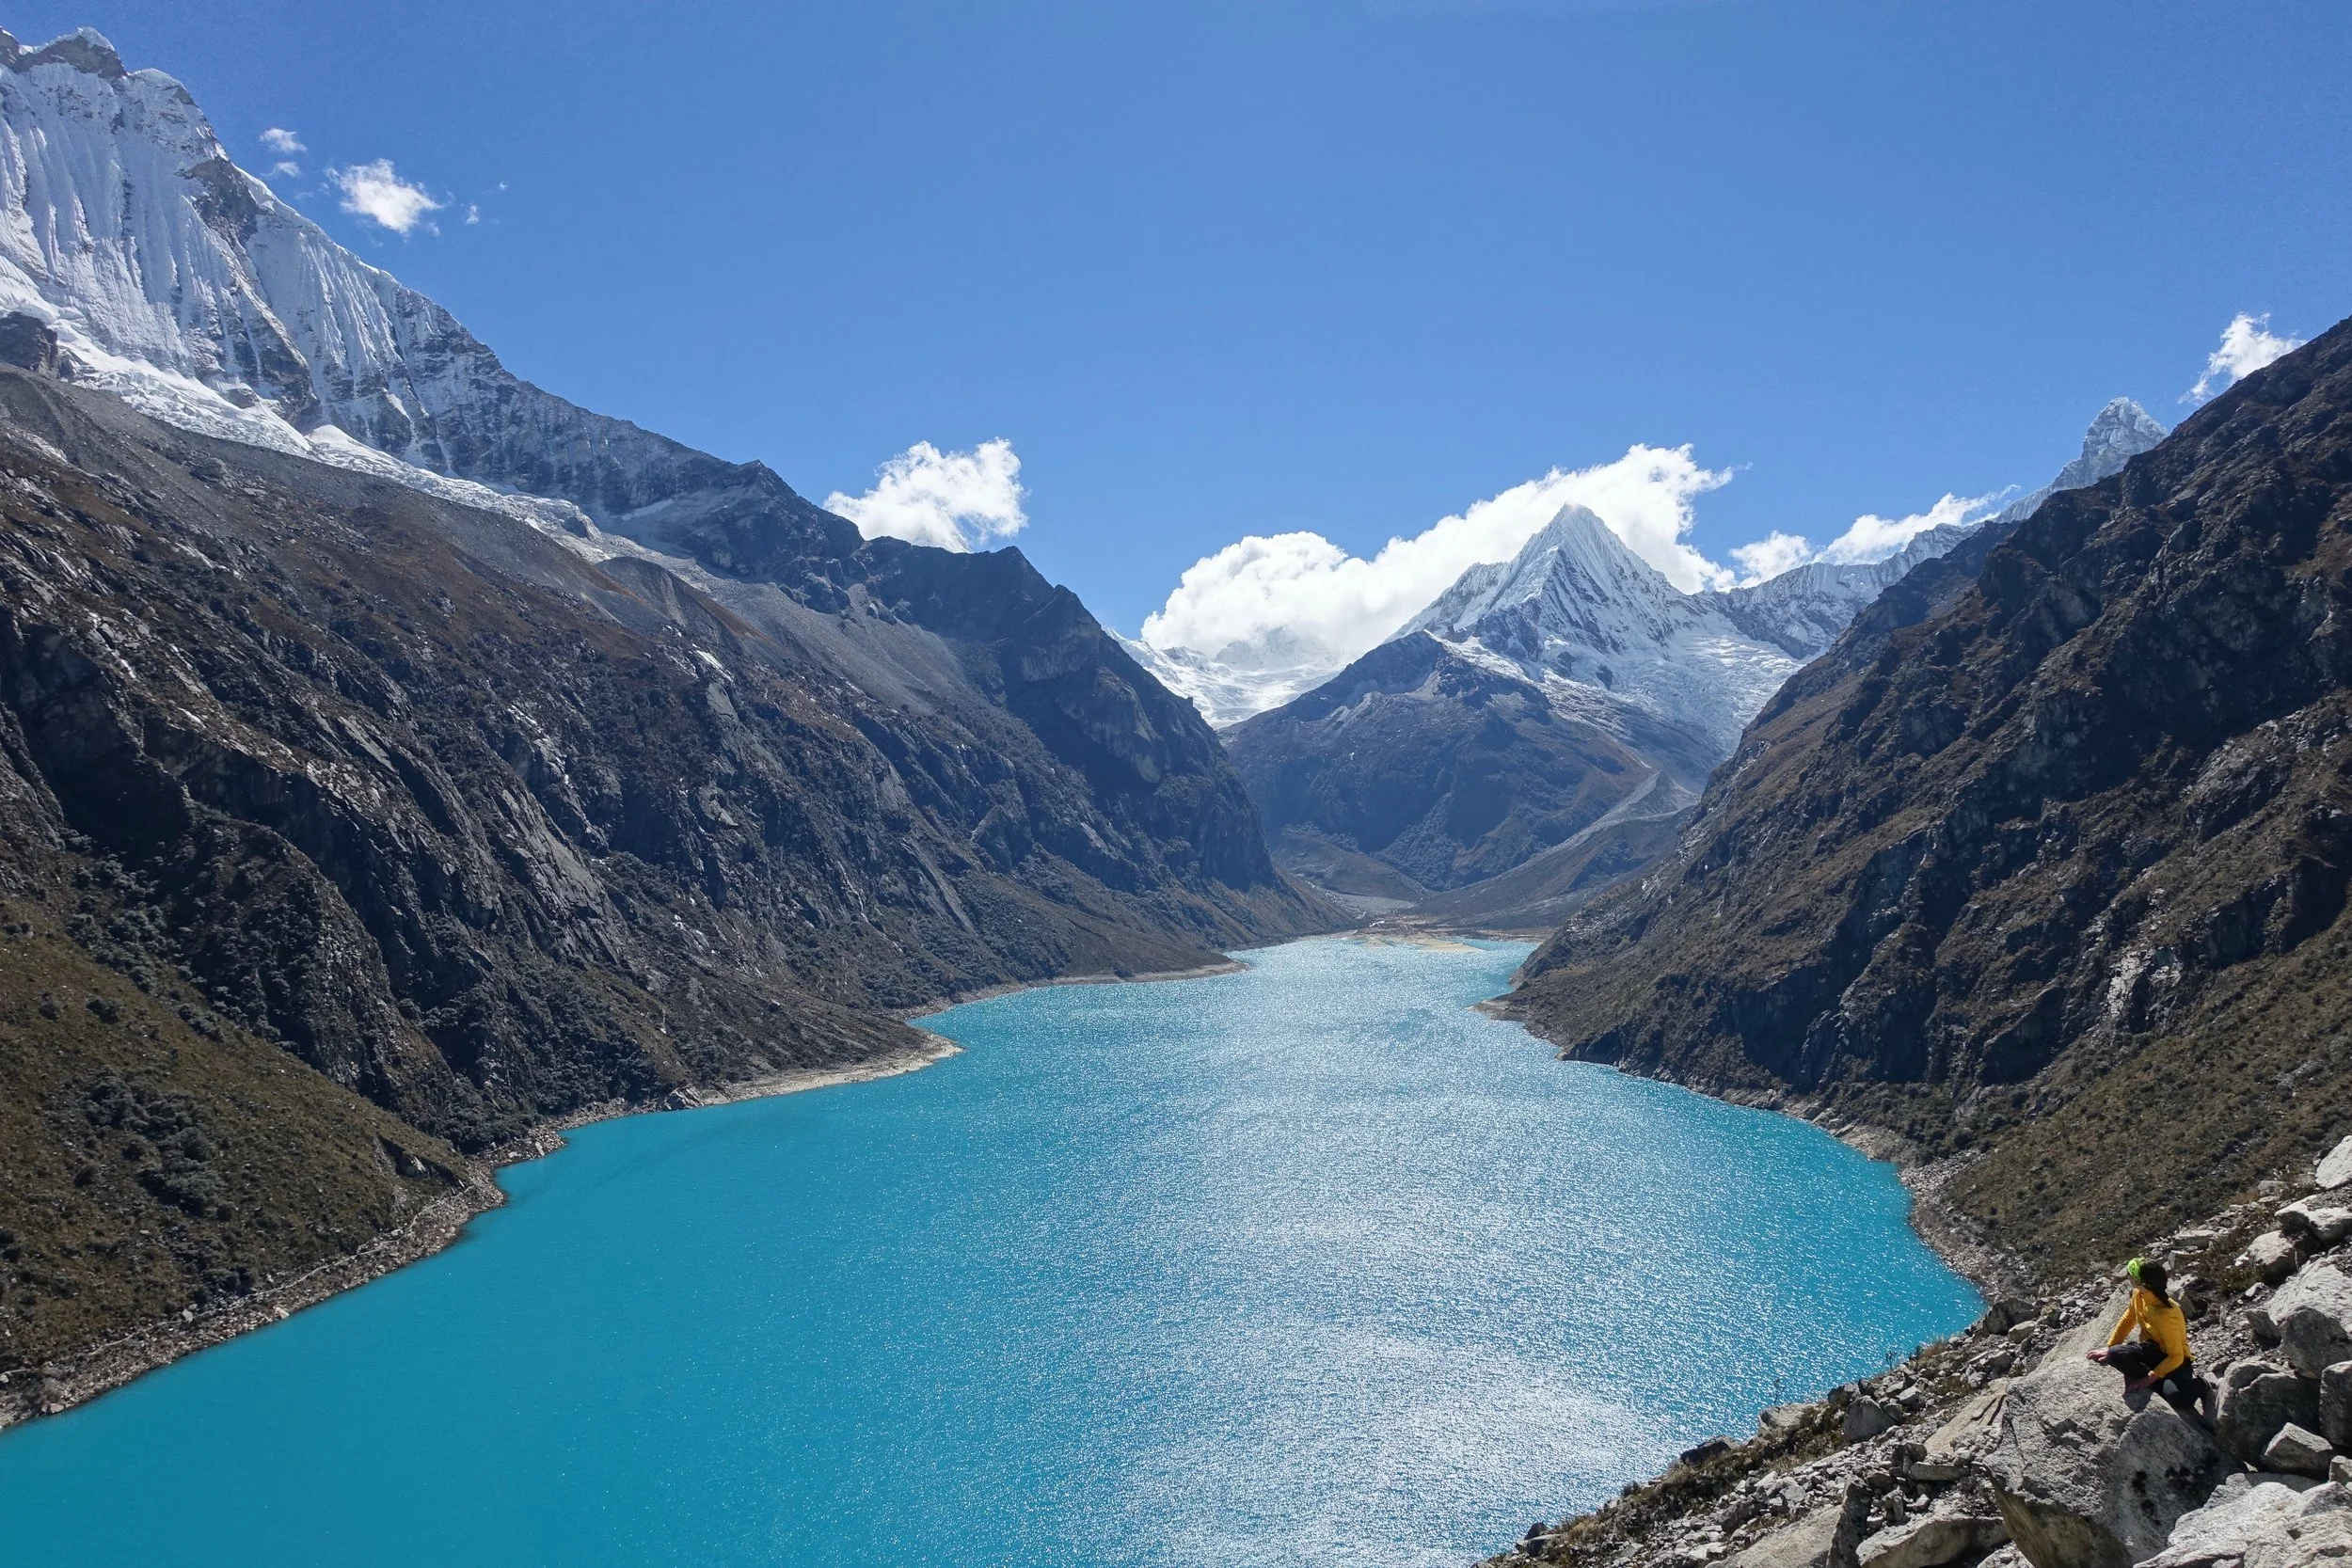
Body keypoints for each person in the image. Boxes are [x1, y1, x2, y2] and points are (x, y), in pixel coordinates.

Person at [2087, 1257, 2215, 1422]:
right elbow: (2129, 1318)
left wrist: (2149, 1378)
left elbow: (2176, 1356)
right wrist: (2111, 1346)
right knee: (2114, 1355)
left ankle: (2199, 1385)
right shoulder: (2138, 1295)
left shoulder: (2166, 1314)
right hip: (2150, 1349)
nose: (2128, 1278)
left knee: (2178, 1398)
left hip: (2176, 1361)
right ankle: (2160, 1382)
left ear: (2141, 1282)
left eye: (2131, 1275)